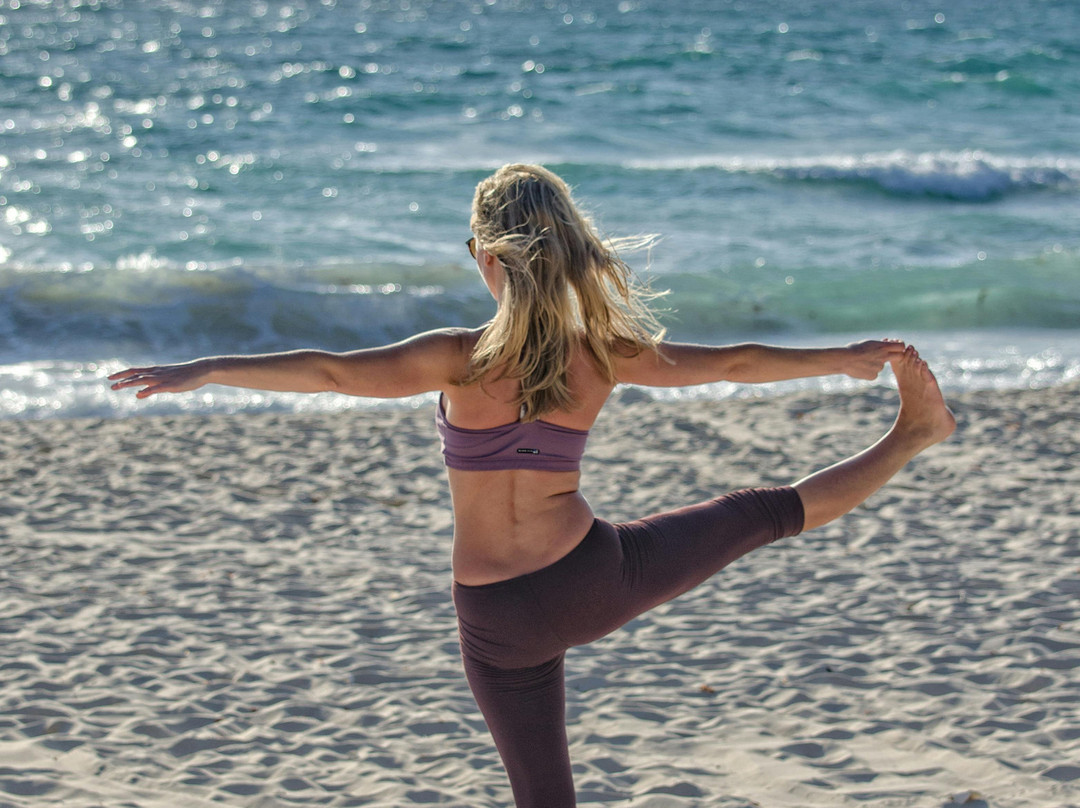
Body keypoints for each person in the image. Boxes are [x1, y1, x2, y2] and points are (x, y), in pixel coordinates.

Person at [109, 164, 955, 807]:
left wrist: (207, 367)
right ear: (571, 252)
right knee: (762, 512)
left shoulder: (455, 357)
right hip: (593, 578)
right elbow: (731, 361)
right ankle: (913, 434)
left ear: (485, 256)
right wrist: (839, 357)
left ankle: (915, 430)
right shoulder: (601, 355)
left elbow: (330, 371)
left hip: (494, 620)